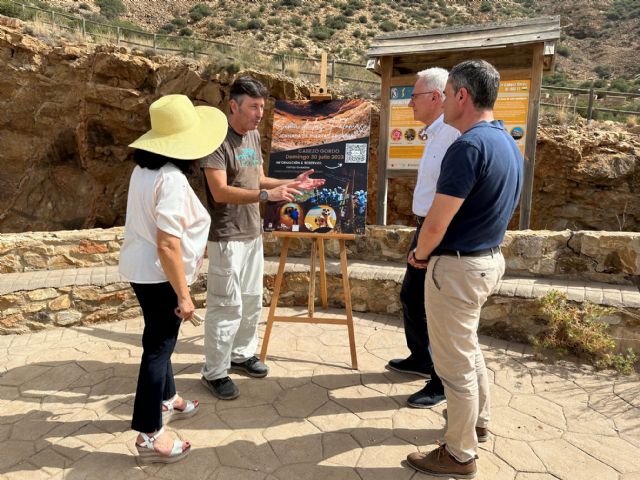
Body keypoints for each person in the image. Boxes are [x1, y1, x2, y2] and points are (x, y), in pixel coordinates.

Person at [406, 60, 523, 478]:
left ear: (461, 95)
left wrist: (420, 253)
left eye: (448, 92)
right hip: (487, 260)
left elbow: (437, 222)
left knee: (453, 366)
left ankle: (458, 453)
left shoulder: (467, 147)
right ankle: (480, 421)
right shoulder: (507, 142)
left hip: (456, 267)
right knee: (468, 349)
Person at [200, 76, 324, 400]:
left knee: (253, 299)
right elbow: (220, 191)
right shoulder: (216, 141)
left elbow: (259, 178)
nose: (259, 114)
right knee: (226, 305)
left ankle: (241, 355)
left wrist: (291, 183)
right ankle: (214, 371)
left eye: (262, 108)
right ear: (233, 106)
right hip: (226, 236)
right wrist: (268, 196)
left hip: (252, 232)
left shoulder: (253, 136)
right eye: (254, 107)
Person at [119, 94, 228, 463]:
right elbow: (167, 244)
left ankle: (168, 399)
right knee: (159, 348)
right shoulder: (172, 179)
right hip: (160, 275)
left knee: (159, 339)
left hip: (141, 269)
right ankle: (150, 433)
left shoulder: (144, 171)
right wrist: (183, 295)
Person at [386, 67, 459, 409]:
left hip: (437, 231)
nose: (410, 102)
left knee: (434, 307)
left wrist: (427, 243)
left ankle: (440, 381)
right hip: (425, 228)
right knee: (412, 297)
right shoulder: (436, 132)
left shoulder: (451, 135)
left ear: (435, 97)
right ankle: (421, 358)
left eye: (414, 96)